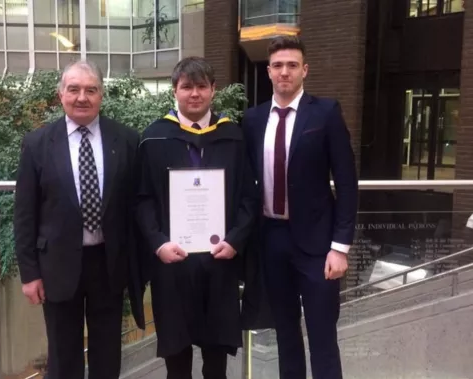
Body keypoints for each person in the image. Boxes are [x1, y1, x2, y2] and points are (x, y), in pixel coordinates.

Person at [13, 60, 144, 379]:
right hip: (56, 265)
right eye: (74, 89)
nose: (82, 97)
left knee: (107, 352)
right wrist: (29, 274)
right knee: (63, 355)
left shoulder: (126, 139)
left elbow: (135, 207)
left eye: (91, 90)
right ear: (61, 95)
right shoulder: (37, 143)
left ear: (102, 95)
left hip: (108, 264)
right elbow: (25, 213)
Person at [241, 36, 358, 379]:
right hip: (272, 239)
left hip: (319, 245)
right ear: (268, 72)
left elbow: (347, 182)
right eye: (278, 66)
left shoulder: (326, 112)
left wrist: (340, 247)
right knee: (285, 334)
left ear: (304, 70)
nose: (285, 72)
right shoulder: (252, 119)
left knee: (322, 336)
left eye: (292, 65)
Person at [135, 56, 258, 379]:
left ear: (213, 90)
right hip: (173, 263)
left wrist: (236, 239)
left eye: (201, 86)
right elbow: (142, 200)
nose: (194, 94)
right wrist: (158, 243)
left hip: (220, 261)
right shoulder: (154, 138)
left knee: (216, 360)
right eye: (187, 86)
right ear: (174, 90)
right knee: (177, 358)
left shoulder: (232, 136)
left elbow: (249, 196)